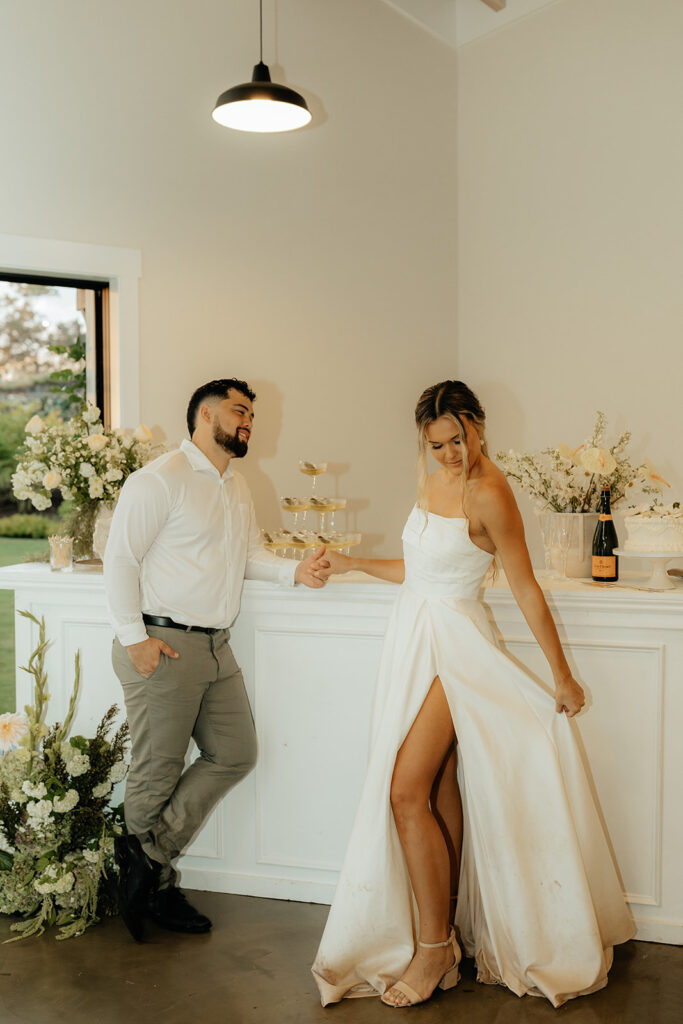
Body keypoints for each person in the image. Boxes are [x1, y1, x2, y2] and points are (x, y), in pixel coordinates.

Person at [311, 380, 634, 1008]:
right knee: (435, 787)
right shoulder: (431, 483)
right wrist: (355, 564)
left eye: (457, 439)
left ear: (477, 427)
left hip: (456, 647)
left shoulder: (492, 492)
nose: (449, 454)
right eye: (437, 445)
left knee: (404, 790)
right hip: (413, 638)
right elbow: (423, 569)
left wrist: (562, 676)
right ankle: (447, 939)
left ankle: (432, 952)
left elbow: (523, 588)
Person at [104, 378, 328, 941]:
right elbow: (120, 559)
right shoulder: (160, 479)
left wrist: (293, 572)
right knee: (157, 770)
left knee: (235, 752)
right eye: (239, 410)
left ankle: (145, 863)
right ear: (205, 414)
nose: (249, 419)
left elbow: (248, 554)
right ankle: (154, 889)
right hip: (163, 643)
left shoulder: (237, 484)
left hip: (215, 647)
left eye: (252, 412)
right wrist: (135, 640)